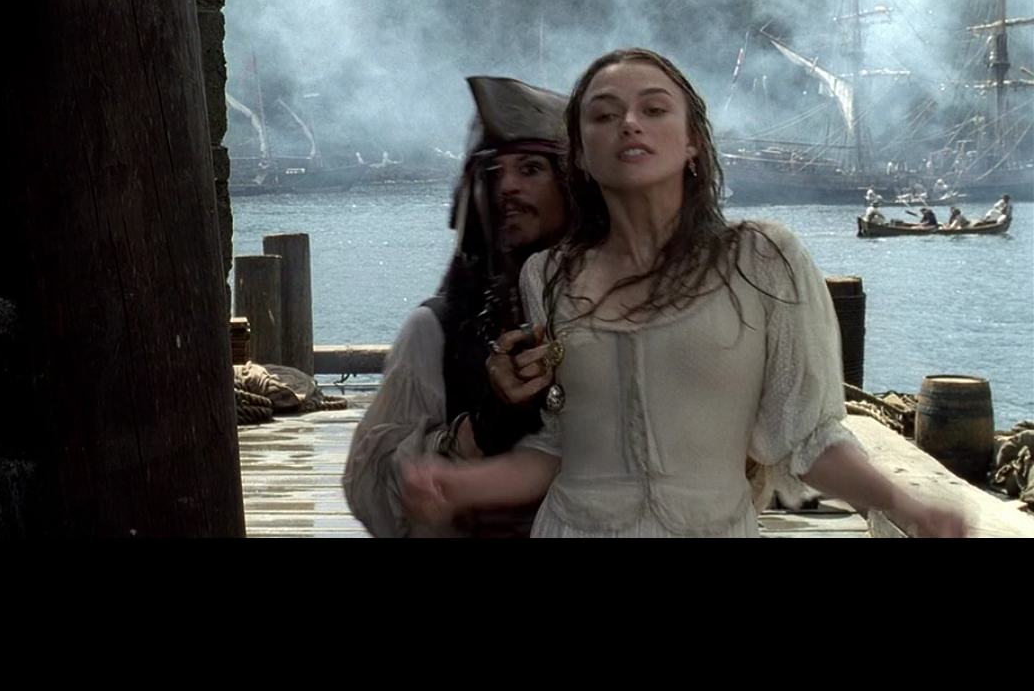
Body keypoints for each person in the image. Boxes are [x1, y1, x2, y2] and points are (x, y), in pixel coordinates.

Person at [399, 48, 967, 538]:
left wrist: (906, 504)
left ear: (693, 141)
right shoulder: (547, 275)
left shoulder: (764, 259)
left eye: (653, 109)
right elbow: (560, 448)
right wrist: (461, 485)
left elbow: (809, 440)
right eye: (604, 114)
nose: (629, 124)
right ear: (580, 154)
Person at [342, 75, 570, 537]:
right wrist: (480, 432)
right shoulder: (437, 331)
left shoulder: (617, 309)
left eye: (530, 169)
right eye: (493, 173)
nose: (507, 187)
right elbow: (373, 491)